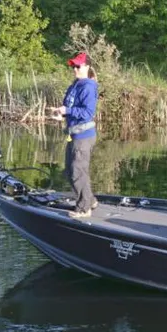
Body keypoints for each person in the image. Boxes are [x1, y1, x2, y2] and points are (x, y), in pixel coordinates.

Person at [51, 52, 99, 219]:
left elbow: (87, 112)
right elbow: (68, 106)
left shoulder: (88, 86)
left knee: (77, 171)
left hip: (84, 136)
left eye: (78, 66)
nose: (75, 69)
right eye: (73, 66)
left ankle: (84, 209)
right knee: (70, 170)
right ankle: (90, 200)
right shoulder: (75, 85)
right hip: (74, 135)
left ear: (87, 67)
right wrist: (61, 114)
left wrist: (68, 111)